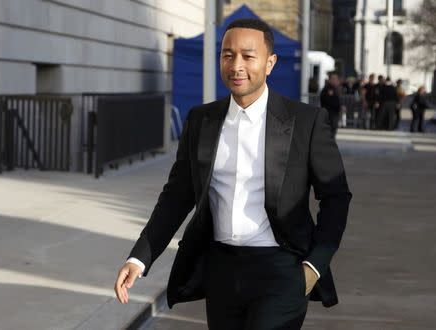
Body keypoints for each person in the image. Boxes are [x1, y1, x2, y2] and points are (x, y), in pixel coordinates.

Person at [114, 18, 352, 329]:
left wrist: (313, 265)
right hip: (221, 271)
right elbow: (177, 195)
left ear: (270, 63)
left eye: (248, 56)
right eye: (228, 55)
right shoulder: (202, 120)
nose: (236, 65)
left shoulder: (306, 122)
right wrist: (140, 258)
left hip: (281, 271)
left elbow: (336, 197)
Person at [320, 71, 343, 137]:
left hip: (334, 114)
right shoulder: (328, 89)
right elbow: (330, 101)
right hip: (330, 115)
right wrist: (338, 106)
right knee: (329, 133)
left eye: (336, 79)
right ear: (330, 80)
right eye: (334, 79)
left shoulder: (334, 89)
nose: (336, 81)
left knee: (332, 132)